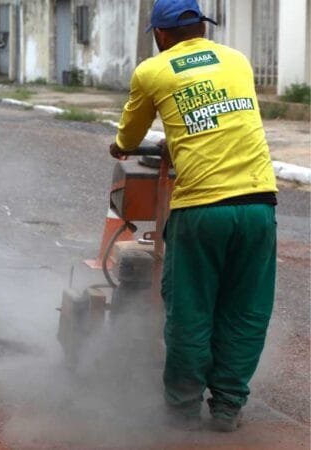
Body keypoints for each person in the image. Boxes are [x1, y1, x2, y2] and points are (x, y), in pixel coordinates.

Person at [109, 0, 278, 432]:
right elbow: (224, 118)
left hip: (201, 209)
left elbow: (129, 135)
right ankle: (226, 407)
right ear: (203, 25)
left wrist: (120, 147)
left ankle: (183, 410)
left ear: (160, 35)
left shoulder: (153, 70)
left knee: (190, 310)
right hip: (259, 205)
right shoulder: (237, 61)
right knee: (245, 310)